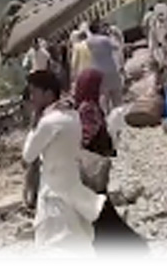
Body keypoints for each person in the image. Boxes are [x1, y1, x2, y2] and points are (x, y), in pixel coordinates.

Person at [22, 70, 106, 252]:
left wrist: (34, 125)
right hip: (70, 185)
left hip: (54, 194)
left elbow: (28, 155)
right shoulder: (72, 114)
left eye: (34, 92)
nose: (32, 98)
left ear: (48, 93)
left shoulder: (49, 122)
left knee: (55, 245)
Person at [85, 21, 122, 114]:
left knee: (103, 95)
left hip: (98, 71)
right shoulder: (105, 39)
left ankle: (106, 114)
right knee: (116, 93)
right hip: (110, 68)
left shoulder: (89, 41)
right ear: (98, 28)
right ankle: (118, 112)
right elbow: (116, 46)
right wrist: (112, 36)